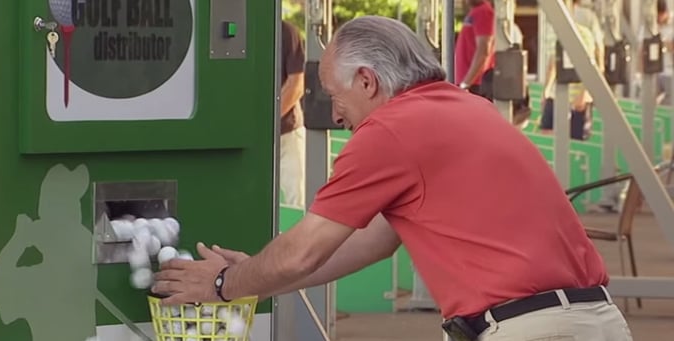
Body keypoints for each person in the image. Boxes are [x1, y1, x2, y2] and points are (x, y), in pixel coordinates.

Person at [152, 16, 632, 341]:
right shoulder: (467, 107)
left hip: (532, 329)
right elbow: (373, 241)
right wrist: (255, 275)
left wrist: (222, 285)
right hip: (596, 321)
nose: (335, 114)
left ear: (367, 81)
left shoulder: (390, 131)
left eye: (334, 95)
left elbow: (303, 251)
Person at [539, 2, 600, 140]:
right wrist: (546, 91)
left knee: (575, 146)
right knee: (547, 139)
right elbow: (553, 63)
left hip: (578, 100)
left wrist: (584, 94)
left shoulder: (584, 34)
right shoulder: (552, 33)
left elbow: (592, 68)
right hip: (556, 97)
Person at [279, 20, 307, 209]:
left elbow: (296, 85)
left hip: (287, 134)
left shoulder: (287, 32)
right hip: (252, 138)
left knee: (296, 202)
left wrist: (266, 121)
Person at [455, 0, 495, 97]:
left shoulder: (483, 11)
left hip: (475, 86)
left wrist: (466, 83)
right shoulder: (475, 12)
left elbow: (484, 50)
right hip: (469, 85)